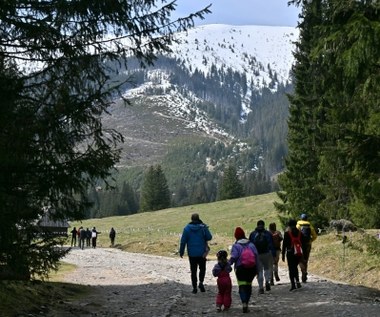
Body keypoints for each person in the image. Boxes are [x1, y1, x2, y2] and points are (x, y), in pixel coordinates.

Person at [179, 213, 212, 294]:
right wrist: (205, 228)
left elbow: (183, 241)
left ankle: (194, 288)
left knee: (193, 271)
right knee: (202, 269)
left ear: (191, 219)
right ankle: (201, 283)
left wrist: (181, 251)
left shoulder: (186, 229)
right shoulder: (203, 227)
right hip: (202, 253)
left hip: (192, 253)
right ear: (198, 218)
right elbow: (209, 237)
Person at [229, 227, 258, 313]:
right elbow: (256, 257)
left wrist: (227, 264)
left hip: (241, 268)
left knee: (242, 286)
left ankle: (244, 302)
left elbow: (234, 257)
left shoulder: (236, 246)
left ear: (236, 236)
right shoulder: (251, 245)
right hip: (251, 269)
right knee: (248, 286)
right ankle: (247, 303)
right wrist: (257, 270)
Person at [249, 220, 275, 294]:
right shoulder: (267, 233)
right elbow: (271, 244)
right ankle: (267, 282)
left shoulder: (253, 234)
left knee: (259, 271)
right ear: (264, 225)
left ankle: (261, 288)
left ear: (257, 225)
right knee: (267, 268)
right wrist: (273, 254)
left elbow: (250, 245)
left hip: (257, 255)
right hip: (266, 253)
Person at [282, 219, 304, 291]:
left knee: (291, 268)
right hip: (298, 252)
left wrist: (282, 254)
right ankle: (297, 281)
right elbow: (303, 243)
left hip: (290, 253)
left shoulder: (287, 233)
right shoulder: (300, 233)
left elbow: (284, 244)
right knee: (295, 267)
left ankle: (293, 284)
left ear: (289, 225)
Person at [296, 213, 318, 282]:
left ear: (301, 218)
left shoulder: (298, 225)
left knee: (299, 259)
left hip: (300, 245)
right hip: (308, 244)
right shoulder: (310, 226)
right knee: (306, 259)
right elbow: (315, 236)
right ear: (306, 219)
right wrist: (310, 241)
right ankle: (304, 276)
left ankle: (303, 271)